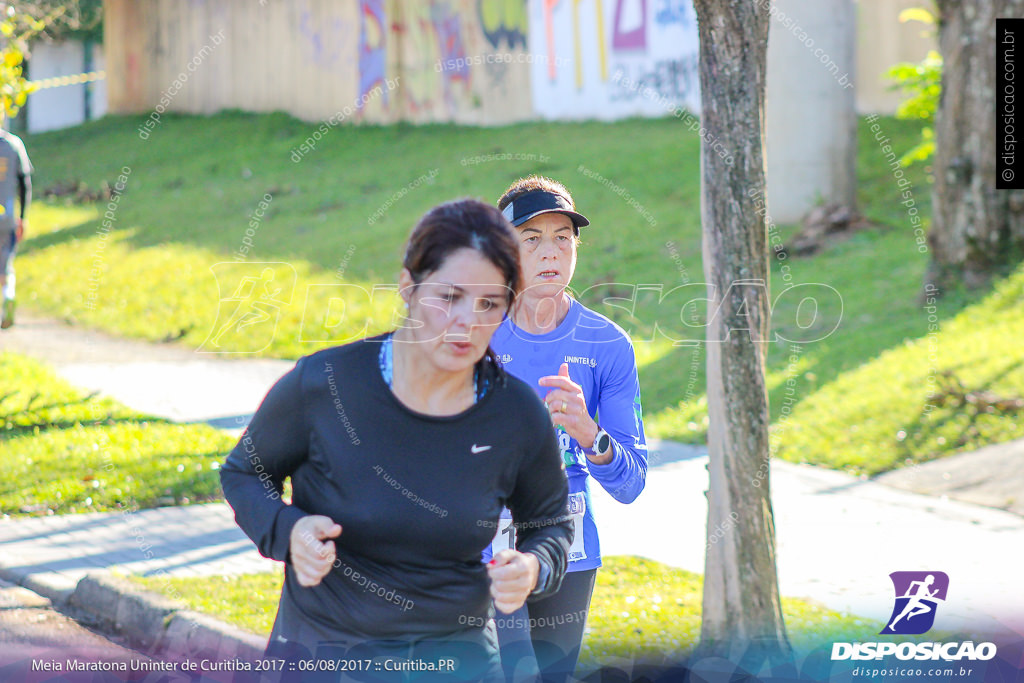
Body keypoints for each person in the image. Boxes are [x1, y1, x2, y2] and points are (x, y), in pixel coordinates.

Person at [220, 198, 573, 682]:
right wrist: (288, 530)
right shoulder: (325, 385)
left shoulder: (514, 414)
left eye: (489, 303)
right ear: (408, 286)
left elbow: (551, 523)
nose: (467, 321)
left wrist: (533, 566)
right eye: (448, 297)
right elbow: (244, 472)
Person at [486, 176, 648, 682]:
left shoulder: (607, 344)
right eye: (531, 238)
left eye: (562, 237)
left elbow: (632, 483)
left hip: (570, 551)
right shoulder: (473, 336)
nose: (550, 251)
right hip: (488, 546)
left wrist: (588, 434)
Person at [0, 123, 32, 329]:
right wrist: (23, 217)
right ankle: (8, 295)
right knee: (5, 265)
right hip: (7, 216)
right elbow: (25, 183)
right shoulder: (14, 145)